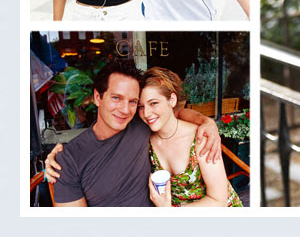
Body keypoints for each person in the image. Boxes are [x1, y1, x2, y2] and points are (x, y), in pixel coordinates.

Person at [42, 59, 220, 207]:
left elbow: (173, 113)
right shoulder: (68, 159)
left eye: (133, 101)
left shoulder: (142, 122)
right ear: (98, 97)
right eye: (116, 98)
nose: (125, 109)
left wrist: (207, 122)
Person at [141, 67, 242, 207]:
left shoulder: (200, 138)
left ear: (172, 100)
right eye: (141, 106)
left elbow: (219, 200)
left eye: (153, 103)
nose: (146, 113)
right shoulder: (145, 140)